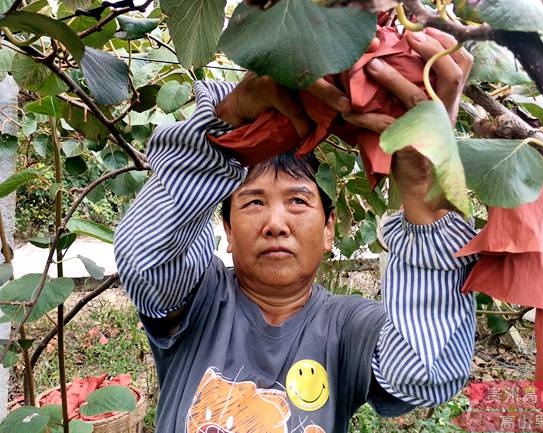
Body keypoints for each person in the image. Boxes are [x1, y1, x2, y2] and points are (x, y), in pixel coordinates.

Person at [114, 28, 475, 433]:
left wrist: (424, 193)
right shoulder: (200, 299)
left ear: (328, 230)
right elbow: (145, 256)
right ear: (227, 233)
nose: (275, 224)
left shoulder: (348, 326)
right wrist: (231, 116)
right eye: (252, 202)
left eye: (299, 201)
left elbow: (424, 374)